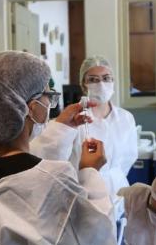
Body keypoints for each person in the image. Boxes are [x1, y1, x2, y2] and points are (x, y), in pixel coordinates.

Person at [0, 51, 116, 245]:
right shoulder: (55, 178)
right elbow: (98, 239)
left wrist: (60, 127)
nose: (50, 105)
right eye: (48, 97)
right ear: (32, 109)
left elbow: (26, 164)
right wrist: (90, 172)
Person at [31, 55, 138, 196]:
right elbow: (55, 159)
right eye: (93, 79)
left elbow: (129, 157)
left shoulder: (126, 118)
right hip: (82, 192)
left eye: (106, 78)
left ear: (113, 81)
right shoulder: (74, 120)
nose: (101, 84)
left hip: (118, 191)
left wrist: (112, 178)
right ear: (83, 85)